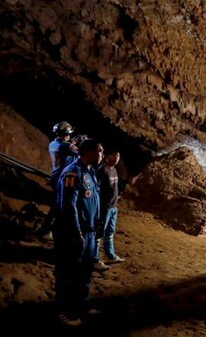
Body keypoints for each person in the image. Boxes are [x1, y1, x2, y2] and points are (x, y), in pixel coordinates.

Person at [54, 139, 104, 326]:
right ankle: (63, 312)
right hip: (74, 233)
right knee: (68, 273)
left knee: (84, 272)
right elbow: (69, 205)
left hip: (89, 232)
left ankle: (82, 305)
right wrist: (76, 231)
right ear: (89, 152)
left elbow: (92, 201)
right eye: (100, 151)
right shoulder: (73, 173)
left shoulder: (89, 172)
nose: (101, 155)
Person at [36, 122, 79, 240]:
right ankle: (48, 230)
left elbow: (65, 149)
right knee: (62, 206)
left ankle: (49, 229)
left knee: (58, 205)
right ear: (66, 134)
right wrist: (78, 143)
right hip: (64, 179)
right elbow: (80, 154)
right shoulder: (66, 146)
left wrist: (71, 144)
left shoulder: (53, 144)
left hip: (56, 176)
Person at [93, 150, 125, 271]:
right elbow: (96, 189)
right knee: (98, 233)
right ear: (108, 155)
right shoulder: (102, 170)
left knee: (109, 232)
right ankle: (94, 260)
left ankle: (110, 255)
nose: (117, 158)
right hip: (104, 207)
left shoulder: (114, 170)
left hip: (113, 207)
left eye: (118, 155)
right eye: (114, 155)